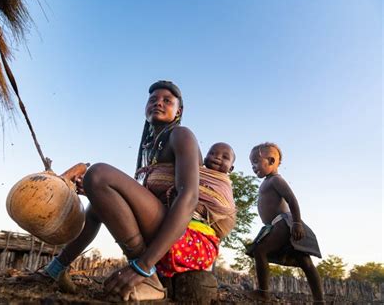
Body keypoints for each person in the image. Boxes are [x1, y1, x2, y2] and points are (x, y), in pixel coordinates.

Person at [26, 80, 219, 301]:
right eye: (153, 99)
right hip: (165, 236)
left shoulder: (181, 135)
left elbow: (189, 197)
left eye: (167, 101)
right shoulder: (150, 149)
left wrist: (143, 265)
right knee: (96, 204)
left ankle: (147, 277)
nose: (158, 103)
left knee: (97, 173)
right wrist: (97, 194)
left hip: (188, 240)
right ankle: (55, 269)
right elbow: (141, 201)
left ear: (179, 111)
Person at [247, 142, 324, 303]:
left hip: (283, 223)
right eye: (251, 163)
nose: (253, 166)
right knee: (305, 262)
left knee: (259, 251)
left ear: (271, 161)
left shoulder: (275, 180)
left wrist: (297, 223)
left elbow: (292, 199)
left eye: (255, 161)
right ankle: (319, 301)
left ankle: (263, 292)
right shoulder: (268, 181)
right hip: (276, 224)